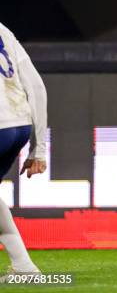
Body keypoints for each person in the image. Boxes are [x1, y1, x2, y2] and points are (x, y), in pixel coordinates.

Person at [0, 22, 47, 280]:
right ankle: (24, 266)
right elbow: (36, 86)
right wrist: (38, 149)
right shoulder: (3, 30)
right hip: (18, 125)